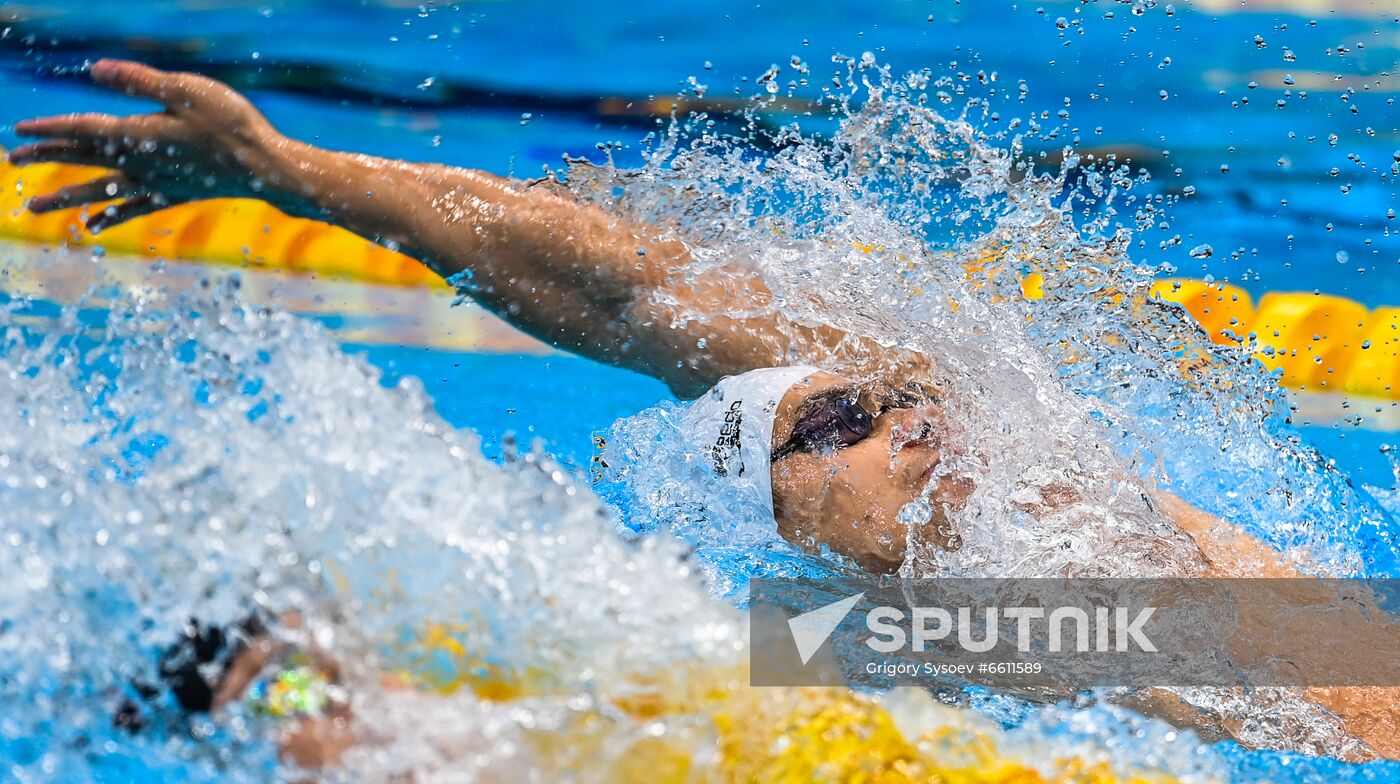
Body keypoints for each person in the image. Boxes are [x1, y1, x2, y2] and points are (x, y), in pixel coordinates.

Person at [10, 59, 1396, 761]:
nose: (894, 417)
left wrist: (290, 167)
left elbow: (622, 287)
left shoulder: (1011, 470)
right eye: (827, 431)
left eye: (867, 399)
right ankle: (277, 680)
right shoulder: (846, 637)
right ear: (789, 520)